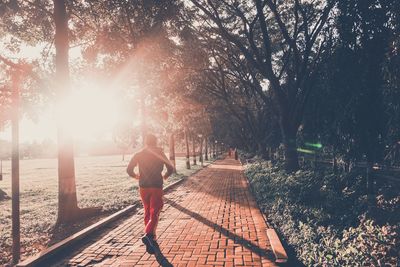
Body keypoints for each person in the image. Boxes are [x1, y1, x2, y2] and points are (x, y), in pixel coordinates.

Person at [126, 134, 174, 255]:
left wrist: (136, 176)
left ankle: (151, 237)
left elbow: (129, 170)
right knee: (155, 212)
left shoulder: (139, 154)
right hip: (156, 186)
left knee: (147, 210)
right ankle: (148, 235)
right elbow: (170, 168)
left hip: (143, 187)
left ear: (146, 142)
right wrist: (165, 176)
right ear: (155, 142)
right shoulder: (159, 153)